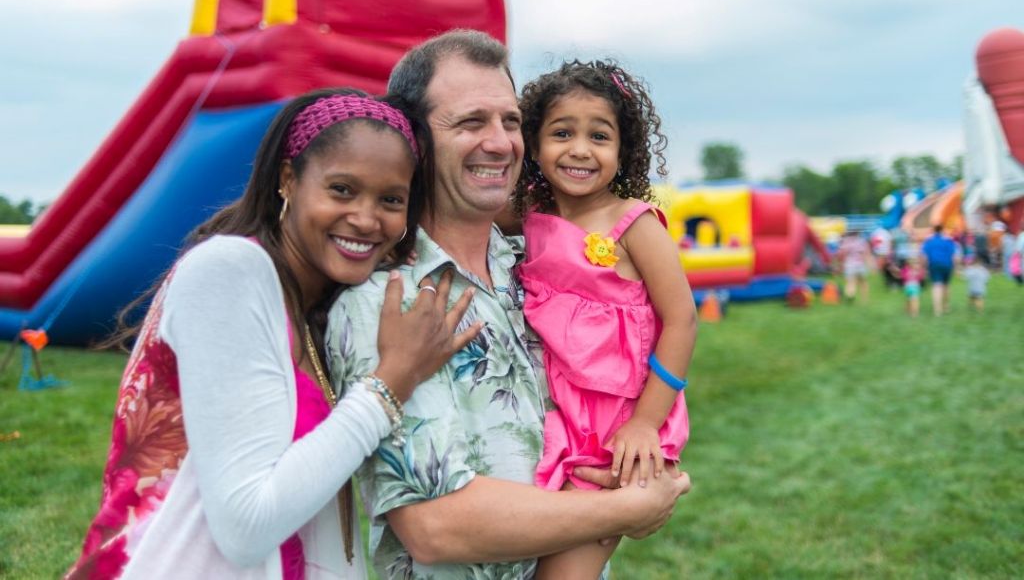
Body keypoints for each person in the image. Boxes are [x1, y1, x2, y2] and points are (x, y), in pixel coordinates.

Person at [66, 90, 481, 579]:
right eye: (342, 190)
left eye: (390, 200)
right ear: (288, 180)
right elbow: (247, 526)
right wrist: (392, 383)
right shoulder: (229, 271)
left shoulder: (313, 307)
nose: (367, 219)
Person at [326, 31, 691, 579]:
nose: (500, 143)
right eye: (471, 122)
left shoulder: (530, 264)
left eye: (511, 122)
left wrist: (643, 433)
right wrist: (627, 508)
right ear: (415, 141)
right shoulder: (382, 301)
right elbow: (434, 526)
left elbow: (657, 328)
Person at [512, 60, 697, 578]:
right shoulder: (527, 215)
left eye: (599, 135)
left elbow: (681, 319)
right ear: (533, 141)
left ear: (624, 148)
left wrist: (644, 422)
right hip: (553, 413)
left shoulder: (633, 224)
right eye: (561, 132)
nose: (579, 149)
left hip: (616, 428)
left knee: (564, 571)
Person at [921, 225, 957, 315]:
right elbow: (954, 256)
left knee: (936, 286)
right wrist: (955, 267)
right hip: (947, 265)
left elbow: (924, 256)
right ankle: (946, 306)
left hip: (934, 265)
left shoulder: (929, 241)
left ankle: (937, 310)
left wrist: (924, 268)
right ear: (943, 230)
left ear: (933, 231)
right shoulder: (949, 241)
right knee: (946, 285)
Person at [836, 231, 872, 303]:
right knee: (863, 282)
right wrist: (869, 264)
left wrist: (841, 264)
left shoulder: (846, 242)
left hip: (849, 265)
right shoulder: (862, 242)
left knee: (850, 282)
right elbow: (866, 254)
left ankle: (850, 294)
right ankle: (864, 299)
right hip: (860, 265)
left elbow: (841, 254)